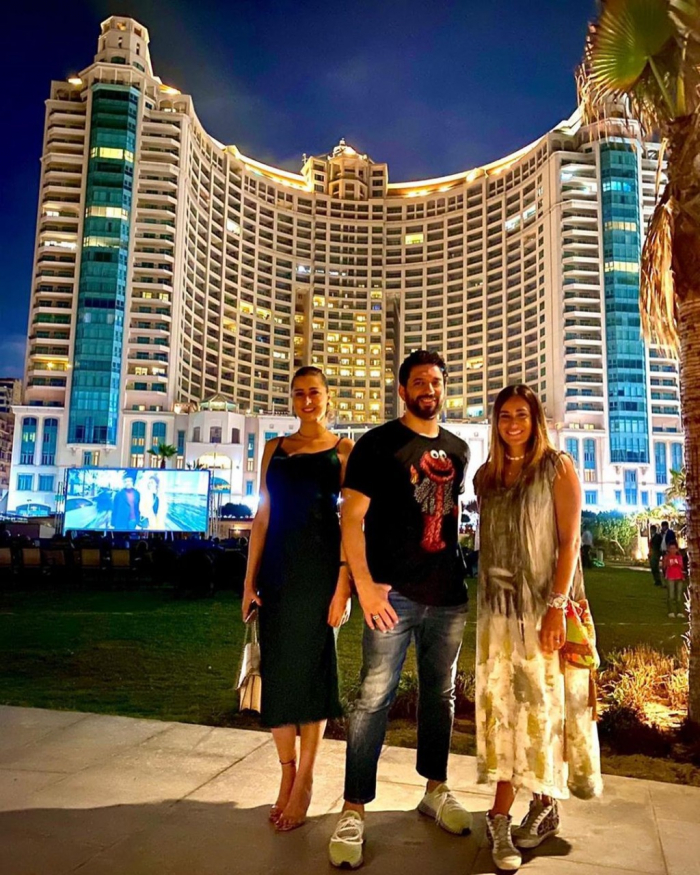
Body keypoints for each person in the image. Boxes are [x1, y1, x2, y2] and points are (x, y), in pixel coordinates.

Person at [329, 350, 472, 870]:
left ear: (443, 388)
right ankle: (353, 809)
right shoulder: (376, 444)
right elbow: (351, 519)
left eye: (435, 381)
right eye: (418, 382)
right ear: (402, 390)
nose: (428, 389)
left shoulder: (459, 449)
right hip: (391, 597)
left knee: (441, 695)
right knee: (372, 698)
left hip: (448, 594)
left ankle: (435, 789)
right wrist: (364, 587)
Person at [474, 385, 602, 872]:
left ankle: (507, 812)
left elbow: (569, 542)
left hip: (543, 611)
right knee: (503, 709)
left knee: (540, 710)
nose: (512, 424)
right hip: (496, 616)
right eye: (505, 415)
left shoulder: (556, 467)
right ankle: (535, 807)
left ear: (536, 420)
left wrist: (555, 607)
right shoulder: (487, 476)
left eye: (521, 415)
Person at [242, 366, 354, 832]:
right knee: (279, 674)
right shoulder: (275, 449)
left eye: (314, 393)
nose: (307, 401)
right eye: (299, 394)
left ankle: (305, 779)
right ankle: (286, 772)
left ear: (328, 398)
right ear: (292, 400)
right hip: (277, 574)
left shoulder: (343, 451)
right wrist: (248, 583)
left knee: (313, 672)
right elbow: (263, 517)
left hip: (320, 574)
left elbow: (352, 521)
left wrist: (344, 584)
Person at [662, 542, 685, 618]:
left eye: (674, 548)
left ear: (677, 549)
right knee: (671, 595)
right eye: (671, 548)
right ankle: (671, 611)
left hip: (679, 577)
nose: (672, 550)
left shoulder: (679, 557)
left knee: (678, 596)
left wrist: (678, 564)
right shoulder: (666, 557)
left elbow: (682, 566)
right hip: (670, 577)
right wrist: (667, 562)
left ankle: (679, 611)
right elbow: (664, 567)